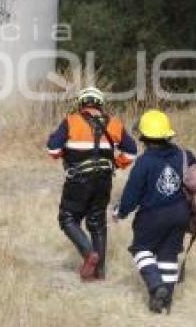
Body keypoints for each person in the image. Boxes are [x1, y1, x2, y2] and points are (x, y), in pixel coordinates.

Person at [113, 109, 196, 313]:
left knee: (141, 249)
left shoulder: (144, 162)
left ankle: (155, 284)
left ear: (144, 136)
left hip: (152, 216)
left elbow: (132, 194)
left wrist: (121, 211)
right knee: (168, 256)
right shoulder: (184, 155)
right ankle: (164, 302)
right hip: (180, 215)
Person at [46, 87, 138, 281]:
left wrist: (66, 152)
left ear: (81, 104)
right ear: (100, 105)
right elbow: (131, 152)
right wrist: (115, 163)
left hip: (78, 180)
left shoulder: (70, 121)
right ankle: (99, 273)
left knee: (68, 218)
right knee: (97, 223)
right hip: (104, 181)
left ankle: (89, 254)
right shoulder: (114, 123)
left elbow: (53, 150)